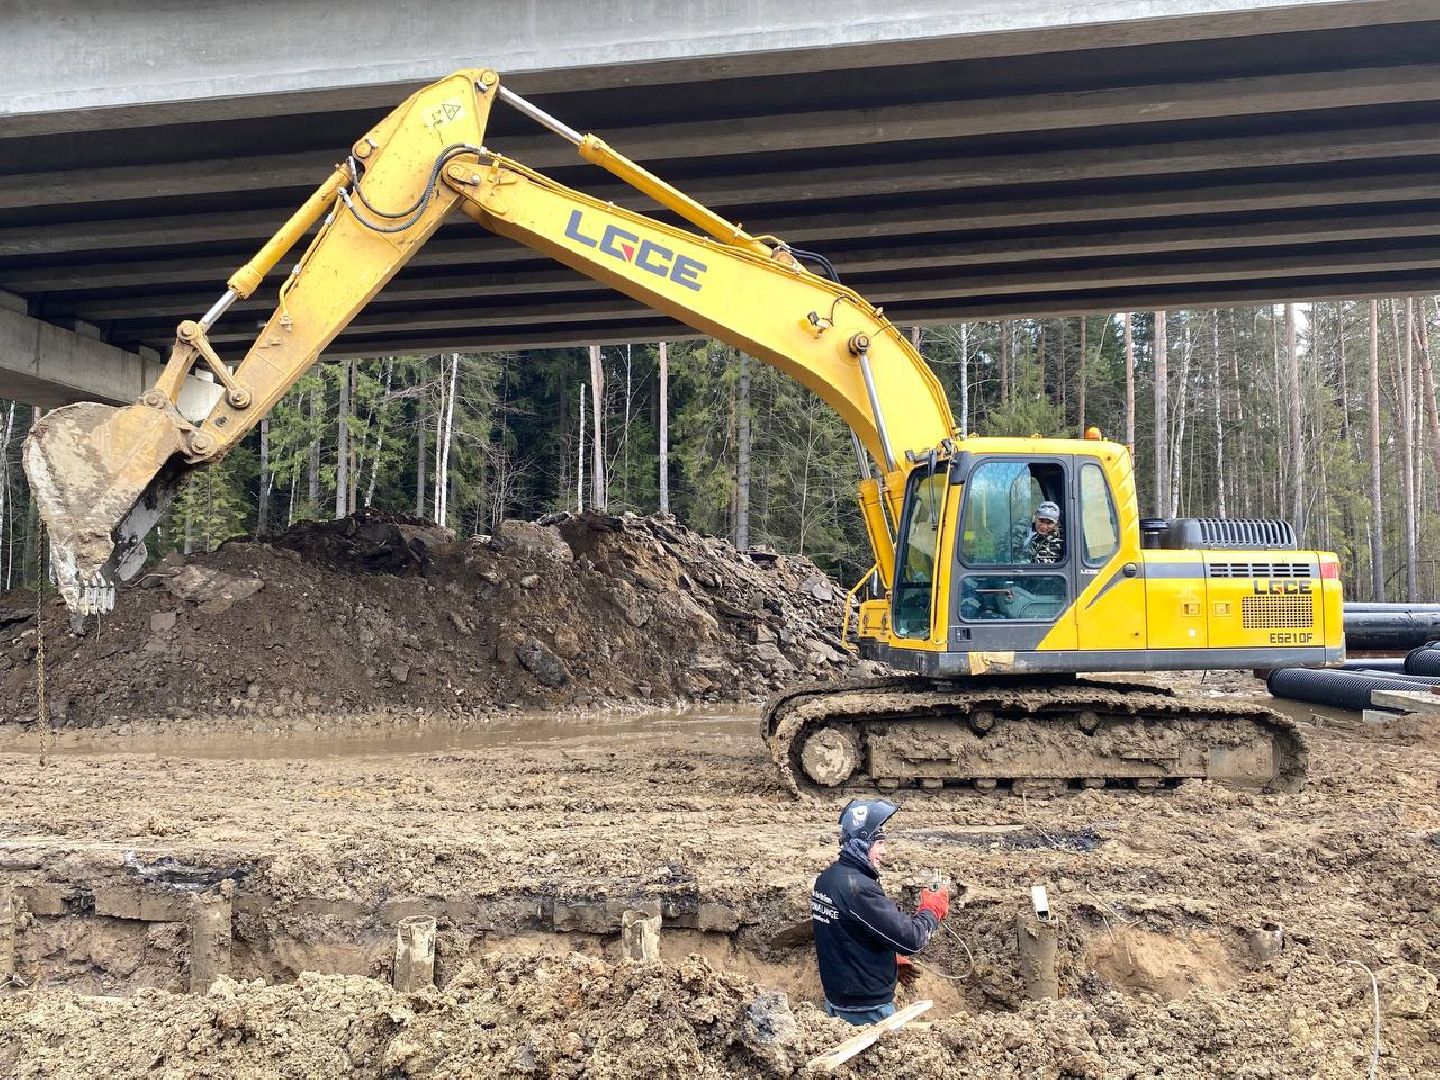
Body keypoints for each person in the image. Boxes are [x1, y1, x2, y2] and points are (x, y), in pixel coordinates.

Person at [811, 799, 951, 1025]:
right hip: (866, 1009)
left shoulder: (828, 878)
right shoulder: (859, 889)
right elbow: (912, 940)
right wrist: (932, 909)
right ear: (861, 843)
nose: (884, 851)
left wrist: (886, 958)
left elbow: (846, 932)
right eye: (878, 843)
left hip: (839, 999)